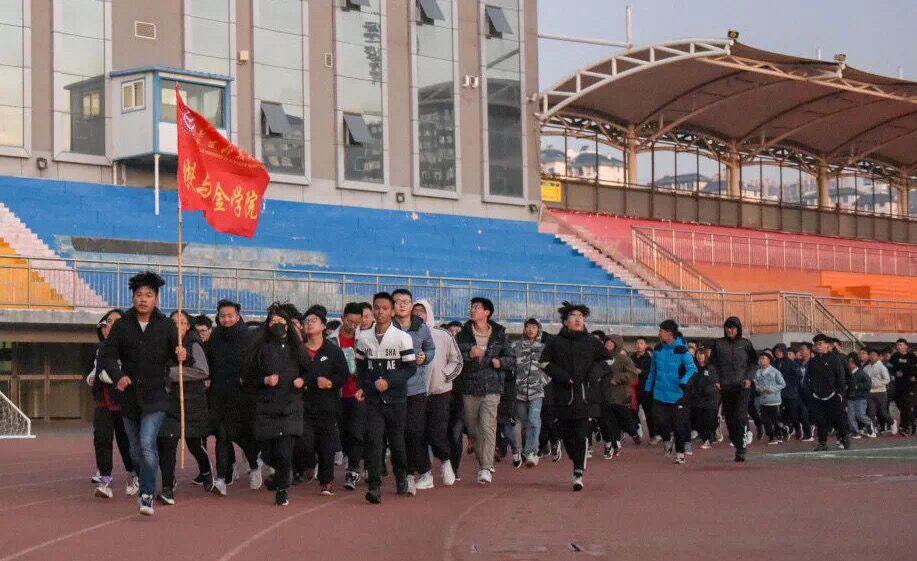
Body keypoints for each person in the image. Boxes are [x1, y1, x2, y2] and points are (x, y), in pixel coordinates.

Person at [100, 272, 182, 516]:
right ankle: (141, 476)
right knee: (135, 450)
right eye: (139, 295)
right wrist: (118, 376)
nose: (143, 299)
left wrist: (181, 354)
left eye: (148, 295)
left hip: (156, 395)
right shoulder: (122, 325)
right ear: (133, 297)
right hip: (129, 397)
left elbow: (175, 354)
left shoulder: (166, 325)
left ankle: (146, 494)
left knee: (147, 444)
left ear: (156, 298)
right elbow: (107, 355)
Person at [539, 302, 611, 490]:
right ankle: (575, 457)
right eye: (573, 316)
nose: (578, 319)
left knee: (581, 434)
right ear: (565, 321)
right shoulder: (555, 342)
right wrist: (562, 376)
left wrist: (594, 374)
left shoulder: (592, 341)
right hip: (563, 397)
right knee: (566, 435)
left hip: (585, 397)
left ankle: (578, 472)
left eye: (581, 316)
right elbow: (544, 363)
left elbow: (608, 360)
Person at [355, 292, 417, 504]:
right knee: (374, 441)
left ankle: (401, 477)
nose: (380, 312)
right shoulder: (364, 338)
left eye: (384, 308)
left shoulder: (402, 338)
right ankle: (374, 486)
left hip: (396, 400)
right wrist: (364, 386)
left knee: (397, 441)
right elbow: (361, 367)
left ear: (392, 311)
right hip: (373, 400)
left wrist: (389, 382)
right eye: (377, 308)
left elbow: (410, 368)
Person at [244, 304, 305, 507]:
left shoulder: (297, 349)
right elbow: (248, 378)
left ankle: (282, 490)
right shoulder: (259, 349)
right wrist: (265, 380)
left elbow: (309, 371)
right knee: (269, 453)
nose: (277, 325)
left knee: (284, 452)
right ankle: (275, 470)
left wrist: (302, 380)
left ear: (288, 325)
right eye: (272, 321)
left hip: (290, 407)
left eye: (280, 321)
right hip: (266, 408)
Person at [455, 297, 515, 486]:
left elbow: (511, 358)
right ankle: (484, 463)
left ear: (487, 312)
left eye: (477, 307)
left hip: (492, 387)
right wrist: (469, 354)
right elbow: (455, 356)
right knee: (473, 429)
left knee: (488, 427)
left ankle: (486, 468)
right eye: (472, 307)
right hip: (470, 388)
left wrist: (500, 362)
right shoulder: (463, 334)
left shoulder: (499, 334)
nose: (473, 310)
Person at [157, 310, 212, 505]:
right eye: (173, 322)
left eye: (181, 322)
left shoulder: (193, 343)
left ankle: (206, 470)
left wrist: (174, 372)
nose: (177, 325)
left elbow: (202, 371)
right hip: (170, 403)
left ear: (188, 326)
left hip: (192, 402)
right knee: (167, 442)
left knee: (194, 443)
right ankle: (168, 486)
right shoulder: (162, 343)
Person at [206, 299, 260, 495]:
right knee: (222, 435)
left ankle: (254, 465)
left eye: (230, 316)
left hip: (242, 396)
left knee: (244, 437)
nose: (226, 319)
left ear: (238, 316)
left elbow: (255, 365)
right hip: (219, 395)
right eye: (222, 316)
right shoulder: (215, 336)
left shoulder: (248, 337)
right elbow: (209, 360)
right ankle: (221, 479)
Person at [294, 305, 349, 496]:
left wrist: (329, 383)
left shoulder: (333, 351)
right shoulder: (298, 351)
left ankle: (326, 481)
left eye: (313, 321)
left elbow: (343, 375)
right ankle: (309, 464)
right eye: (306, 321)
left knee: (326, 445)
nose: (309, 324)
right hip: (303, 405)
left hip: (327, 405)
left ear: (323, 326)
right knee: (304, 442)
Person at [87, 309, 136, 499]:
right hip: (103, 400)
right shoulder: (101, 348)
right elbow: (95, 370)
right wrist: (92, 377)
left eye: (116, 321)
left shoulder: (132, 347)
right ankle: (105, 479)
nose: (111, 324)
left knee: (126, 441)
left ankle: (133, 475)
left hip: (125, 401)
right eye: (108, 321)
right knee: (101, 438)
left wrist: (114, 377)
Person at [391, 289, 436, 495]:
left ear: (411, 305)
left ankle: (423, 472)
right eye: (398, 301)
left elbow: (430, 349)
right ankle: (406, 475)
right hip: (393, 389)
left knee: (414, 432)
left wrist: (425, 357)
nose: (402, 305)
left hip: (416, 389)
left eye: (406, 301)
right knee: (398, 435)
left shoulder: (421, 327)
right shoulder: (387, 327)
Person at [414, 300, 462, 486]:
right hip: (415, 394)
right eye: (415, 311)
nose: (418, 314)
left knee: (436, 433)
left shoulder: (443, 335)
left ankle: (446, 461)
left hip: (440, 393)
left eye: (422, 311)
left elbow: (457, 360)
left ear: (429, 313)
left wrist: (444, 375)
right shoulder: (405, 335)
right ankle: (425, 474)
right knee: (416, 434)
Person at [644, 320, 697, 465]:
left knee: (678, 425)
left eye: (661, 331)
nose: (658, 333)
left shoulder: (682, 351)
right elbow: (653, 371)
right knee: (659, 421)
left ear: (669, 333)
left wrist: (684, 381)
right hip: (659, 393)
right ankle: (667, 440)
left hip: (677, 394)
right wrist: (648, 388)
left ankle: (680, 453)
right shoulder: (658, 349)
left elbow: (692, 369)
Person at [707, 316, 757, 462]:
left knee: (740, 416)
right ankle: (736, 442)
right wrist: (716, 380)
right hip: (725, 386)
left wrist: (749, 378)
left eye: (733, 328)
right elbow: (712, 364)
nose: (730, 330)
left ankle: (741, 448)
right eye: (727, 328)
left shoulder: (745, 344)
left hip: (742, 386)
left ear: (738, 329)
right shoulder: (718, 344)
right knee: (729, 418)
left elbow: (753, 363)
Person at [334, 303, 366, 490]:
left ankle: (353, 470)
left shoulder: (363, 340)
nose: (353, 325)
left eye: (357, 323)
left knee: (356, 431)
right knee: (341, 432)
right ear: (342, 318)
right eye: (350, 321)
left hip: (357, 393)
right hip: (336, 394)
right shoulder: (332, 340)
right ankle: (346, 456)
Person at [595, 334, 641, 459]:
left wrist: (617, 378)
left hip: (619, 396)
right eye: (606, 342)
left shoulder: (624, 359)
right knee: (604, 422)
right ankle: (609, 444)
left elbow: (633, 375)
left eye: (611, 342)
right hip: (602, 395)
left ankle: (619, 441)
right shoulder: (599, 358)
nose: (608, 344)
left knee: (620, 421)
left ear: (617, 344)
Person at [511, 318, 548, 467]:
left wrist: (541, 381)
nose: (531, 329)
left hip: (537, 392)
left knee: (533, 420)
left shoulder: (544, 348)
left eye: (534, 327)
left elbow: (551, 368)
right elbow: (510, 365)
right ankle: (528, 450)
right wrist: (514, 382)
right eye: (528, 326)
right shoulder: (516, 346)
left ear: (539, 329)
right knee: (525, 423)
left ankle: (532, 452)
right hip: (519, 391)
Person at [808, 334, 850, 452]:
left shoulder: (834, 359)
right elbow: (809, 377)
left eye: (820, 344)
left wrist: (839, 392)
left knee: (837, 418)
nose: (818, 346)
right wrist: (812, 391)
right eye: (816, 344)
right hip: (817, 396)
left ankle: (843, 437)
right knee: (820, 420)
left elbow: (841, 376)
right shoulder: (813, 361)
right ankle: (822, 443)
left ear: (827, 345)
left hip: (833, 395)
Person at [687, 348, 719, 449]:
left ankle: (708, 439)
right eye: (698, 354)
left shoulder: (711, 367)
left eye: (702, 354)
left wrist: (709, 390)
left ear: (705, 355)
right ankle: (707, 436)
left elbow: (715, 383)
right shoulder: (694, 368)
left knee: (708, 420)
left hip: (710, 399)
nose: (700, 356)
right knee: (699, 420)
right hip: (697, 399)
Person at [773, 344, 806, 440]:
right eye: (776, 351)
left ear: (784, 352)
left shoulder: (790, 363)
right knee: (780, 414)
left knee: (792, 413)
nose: (778, 353)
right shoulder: (774, 363)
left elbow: (799, 375)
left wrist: (789, 383)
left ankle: (797, 428)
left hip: (790, 392)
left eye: (780, 351)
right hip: (778, 392)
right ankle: (784, 430)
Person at [754, 351, 786, 445]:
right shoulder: (758, 372)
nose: (761, 360)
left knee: (775, 420)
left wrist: (772, 389)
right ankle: (772, 436)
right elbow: (756, 384)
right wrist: (759, 389)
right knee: (765, 420)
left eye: (763, 358)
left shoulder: (775, 372)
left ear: (769, 360)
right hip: (763, 400)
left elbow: (782, 384)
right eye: (760, 358)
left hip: (774, 400)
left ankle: (780, 433)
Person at [631, 337, 656, 443]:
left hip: (646, 389)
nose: (639, 345)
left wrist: (641, 371)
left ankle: (653, 436)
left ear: (645, 345)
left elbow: (652, 373)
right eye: (637, 343)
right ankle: (637, 429)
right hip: (634, 389)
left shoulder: (650, 358)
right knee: (632, 412)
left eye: (641, 343)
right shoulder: (631, 357)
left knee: (649, 414)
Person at [889, 338, 916, 436]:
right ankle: (912, 420)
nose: (898, 347)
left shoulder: (912, 356)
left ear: (906, 346)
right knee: (901, 406)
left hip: (909, 386)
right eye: (897, 345)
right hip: (898, 386)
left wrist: (913, 376)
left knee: (907, 406)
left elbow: (915, 369)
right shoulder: (895, 356)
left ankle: (905, 427)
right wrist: (894, 373)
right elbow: (889, 367)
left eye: (900, 345)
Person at [863, 348, 893, 434]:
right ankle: (872, 430)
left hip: (881, 392)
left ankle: (892, 422)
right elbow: (863, 379)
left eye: (874, 355)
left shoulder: (882, 367)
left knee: (883, 413)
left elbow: (887, 379)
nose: (872, 357)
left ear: (878, 356)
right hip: (869, 393)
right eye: (870, 355)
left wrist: (876, 384)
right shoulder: (866, 368)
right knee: (871, 413)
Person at [846, 355, 874, 438]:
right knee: (850, 416)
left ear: (855, 363)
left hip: (860, 398)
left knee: (860, 415)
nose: (848, 364)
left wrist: (858, 386)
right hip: (850, 397)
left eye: (850, 362)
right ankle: (855, 432)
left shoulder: (861, 373)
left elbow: (868, 385)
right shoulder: (849, 373)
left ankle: (869, 424)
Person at [796, 343, 815, 441]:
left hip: (812, 392)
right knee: (802, 413)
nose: (801, 351)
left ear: (809, 350)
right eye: (800, 349)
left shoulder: (814, 363)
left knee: (809, 413)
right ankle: (808, 433)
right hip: (800, 392)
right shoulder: (798, 363)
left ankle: (810, 431)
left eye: (803, 349)